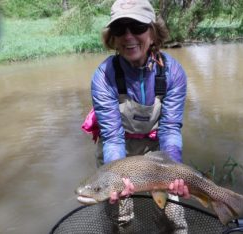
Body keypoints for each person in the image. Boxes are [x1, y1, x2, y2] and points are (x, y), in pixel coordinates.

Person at [81, 0, 190, 232]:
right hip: (117, 154)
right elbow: (112, 136)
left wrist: (174, 171)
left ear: (153, 32)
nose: (128, 36)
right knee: (118, 214)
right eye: (120, 29)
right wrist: (116, 177)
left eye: (137, 27)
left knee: (173, 217)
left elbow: (170, 129)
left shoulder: (173, 72)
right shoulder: (103, 77)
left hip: (156, 152)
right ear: (113, 37)